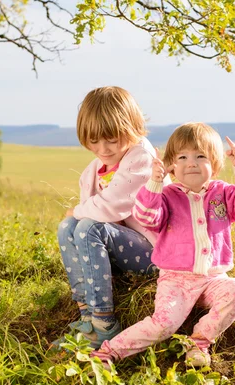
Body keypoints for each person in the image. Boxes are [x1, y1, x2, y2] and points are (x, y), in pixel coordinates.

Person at [91, 122, 235, 368]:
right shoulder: (166, 197)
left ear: (214, 164)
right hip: (176, 280)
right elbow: (146, 216)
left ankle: (199, 341)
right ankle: (109, 352)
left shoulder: (223, 194)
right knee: (163, 323)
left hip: (214, 278)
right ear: (172, 165)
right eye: (182, 157)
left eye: (200, 156)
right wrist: (154, 183)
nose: (191, 163)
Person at [55, 86, 170, 349]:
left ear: (131, 129)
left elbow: (110, 206)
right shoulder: (97, 168)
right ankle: (87, 316)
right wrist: (76, 216)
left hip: (157, 251)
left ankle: (104, 323)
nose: (103, 149)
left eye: (112, 139)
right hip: (127, 245)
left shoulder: (141, 158)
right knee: (67, 227)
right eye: (94, 141)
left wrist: (77, 210)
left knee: (85, 226)